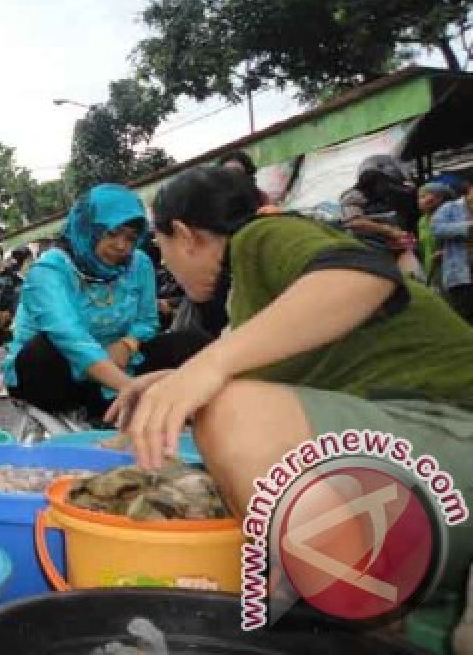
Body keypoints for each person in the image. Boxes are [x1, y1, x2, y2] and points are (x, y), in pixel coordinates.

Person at [111, 166, 473, 590]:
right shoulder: (249, 289)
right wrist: (175, 378)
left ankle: (352, 610)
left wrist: (205, 370)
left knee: (230, 411)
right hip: (429, 465)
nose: (165, 263)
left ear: (184, 234)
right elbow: (278, 361)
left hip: (450, 437)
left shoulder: (261, 235)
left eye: (162, 245)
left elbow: (362, 278)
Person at [2, 184, 159, 421]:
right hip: (57, 375)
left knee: (184, 343)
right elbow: (70, 338)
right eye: (112, 233)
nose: (121, 246)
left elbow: (148, 321)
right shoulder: (49, 270)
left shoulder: (139, 264)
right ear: (88, 229)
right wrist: (131, 389)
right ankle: (113, 403)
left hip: (120, 364)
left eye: (130, 238)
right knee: (42, 352)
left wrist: (128, 343)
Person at [340, 154, 422, 279]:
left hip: (400, 246)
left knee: (416, 280)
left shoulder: (402, 194)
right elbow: (354, 222)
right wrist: (388, 230)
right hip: (370, 249)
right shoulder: (355, 195)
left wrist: (409, 242)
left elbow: (407, 230)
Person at [433, 180, 473, 322]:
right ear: (469, 188)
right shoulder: (450, 207)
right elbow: (436, 228)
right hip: (460, 275)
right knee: (464, 315)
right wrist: (467, 228)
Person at [418, 181, 456, 286]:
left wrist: (445, 253)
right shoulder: (422, 221)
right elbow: (422, 247)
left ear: (439, 199)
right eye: (418, 197)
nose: (419, 201)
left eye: (423, 196)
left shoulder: (452, 218)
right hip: (430, 274)